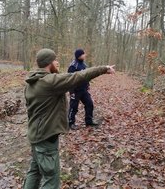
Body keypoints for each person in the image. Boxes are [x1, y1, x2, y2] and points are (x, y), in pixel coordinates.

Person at [23, 48, 115, 189]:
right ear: (49, 62)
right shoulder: (50, 82)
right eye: (55, 59)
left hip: (35, 135)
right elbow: (78, 76)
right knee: (51, 178)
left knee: (34, 172)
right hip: (46, 138)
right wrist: (104, 69)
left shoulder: (32, 81)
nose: (57, 62)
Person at [67, 49, 97, 130]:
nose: (85, 55)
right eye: (83, 54)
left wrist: (87, 85)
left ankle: (89, 121)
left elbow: (86, 76)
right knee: (73, 107)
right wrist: (71, 91)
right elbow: (69, 79)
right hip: (75, 90)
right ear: (79, 55)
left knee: (89, 104)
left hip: (83, 90)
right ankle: (70, 123)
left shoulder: (84, 65)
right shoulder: (73, 66)